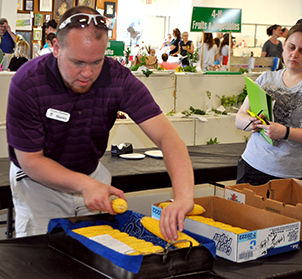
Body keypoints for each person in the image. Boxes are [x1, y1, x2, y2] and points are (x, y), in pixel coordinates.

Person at [6, 6, 194, 239]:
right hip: (39, 185)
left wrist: (183, 198)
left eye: (97, 62)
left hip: (91, 174)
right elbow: (31, 160)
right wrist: (84, 185)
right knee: (42, 259)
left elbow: (168, 138)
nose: (87, 73)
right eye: (77, 62)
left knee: (97, 254)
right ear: (56, 48)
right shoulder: (27, 83)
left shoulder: (118, 78)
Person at [235, 20, 302, 185]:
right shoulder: (266, 79)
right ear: (284, 46)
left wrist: (285, 132)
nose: (295, 54)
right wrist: (251, 122)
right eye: (291, 47)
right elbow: (239, 118)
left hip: (297, 175)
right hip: (254, 166)